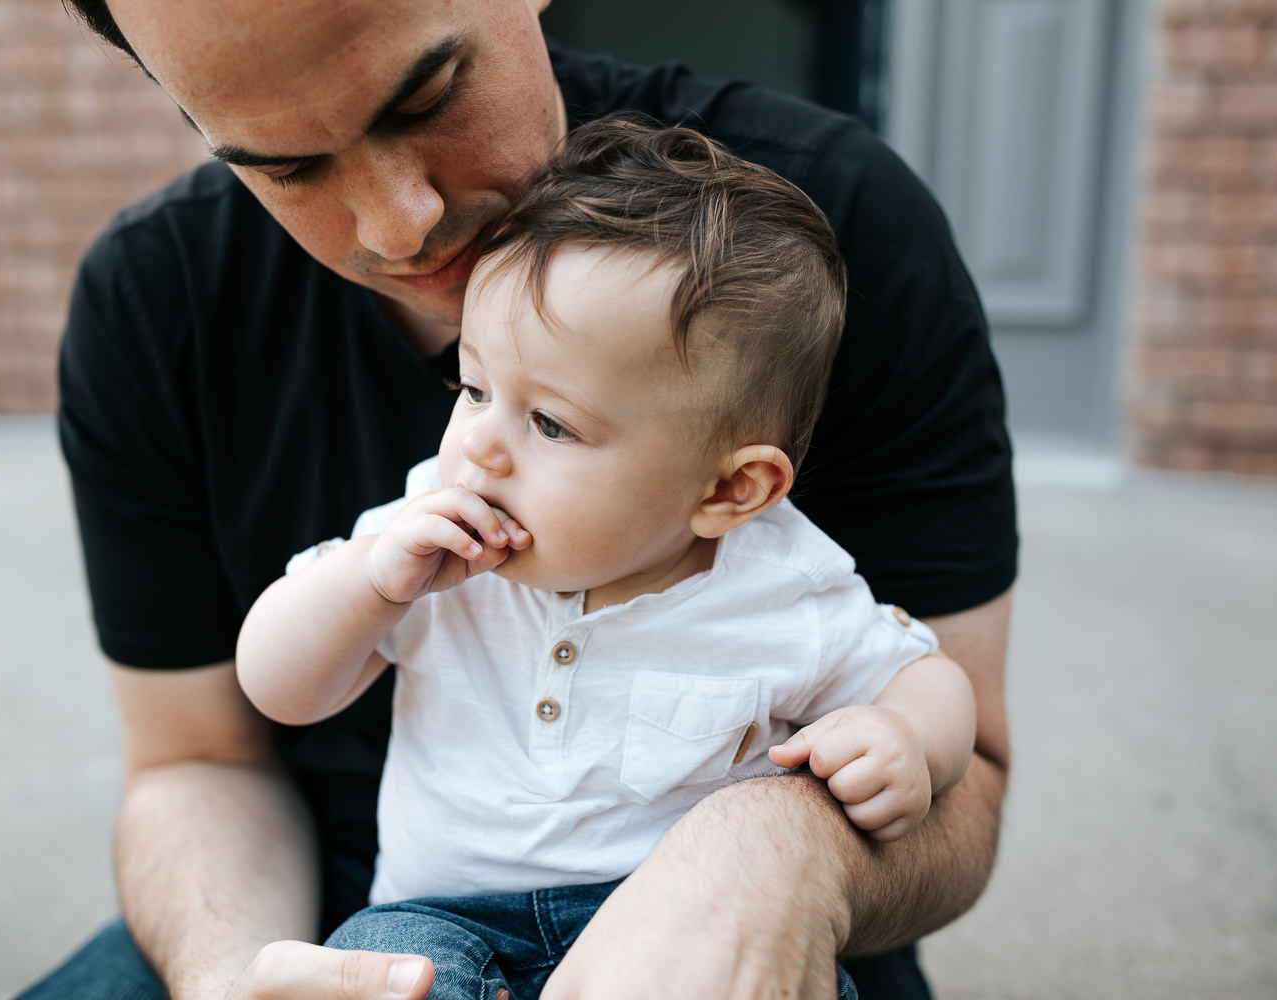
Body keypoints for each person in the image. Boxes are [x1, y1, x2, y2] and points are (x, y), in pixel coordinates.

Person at [29, 1, 1017, 998]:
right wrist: (227, 979)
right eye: (286, 166)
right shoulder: (180, 318)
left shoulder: (809, 252)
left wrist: (829, 808)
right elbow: (203, 753)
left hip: (759, 906)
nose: (397, 223)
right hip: (409, 915)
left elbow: (953, 735)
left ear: (733, 486)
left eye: (424, 96)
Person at [233, 119, 980, 1000]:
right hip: (441, 919)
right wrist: (365, 586)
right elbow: (278, 686)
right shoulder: (423, 539)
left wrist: (905, 739)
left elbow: (930, 680)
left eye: (550, 423)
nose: (480, 448)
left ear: (730, 491)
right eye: (473, 388)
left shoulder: (781, 587)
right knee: (381, 972)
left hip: (677, 926)